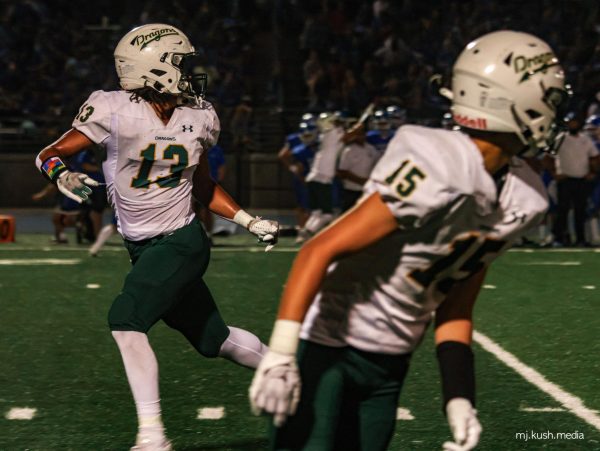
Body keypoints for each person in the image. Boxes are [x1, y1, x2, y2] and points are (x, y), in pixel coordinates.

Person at [249, 30, 568, 451]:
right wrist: (281, 355)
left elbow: (454, 304)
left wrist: (459, 397)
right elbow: (318, 249)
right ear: (507, 99)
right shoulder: (435, 159)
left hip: (391, 364)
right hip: (331, 348)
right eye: (547, 97)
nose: (552, 109)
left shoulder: (526, 197)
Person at [35, 24, 279, 451]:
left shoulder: (200, 116)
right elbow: (48, 153)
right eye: (181, 64)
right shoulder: (113, 110)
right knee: (213, 340)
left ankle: (152, 437)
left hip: (182, 241)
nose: (189, 73)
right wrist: (61, 174)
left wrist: (247, 220)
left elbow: (202, 186)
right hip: (142, 246)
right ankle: (291, 374)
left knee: (126, 318)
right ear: (156, 67)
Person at [547, 113, 599, 247]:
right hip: (565, 179)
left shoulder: (585, 139)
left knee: (580, 210)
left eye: (574, 122)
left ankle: (581, 239)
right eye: (570, 122)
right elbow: (549, 156)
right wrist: (554, 173)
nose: (572, 124)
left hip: (581, 179)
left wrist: (593, 172)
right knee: (562, 210)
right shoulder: (560, 138)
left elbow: (594, 156)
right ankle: (560, 238)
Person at [278, 120, 318, 228]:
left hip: (318, 177)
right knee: (303, 205)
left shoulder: (321, 144)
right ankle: (303, 230)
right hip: (304, 178)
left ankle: (309, 229)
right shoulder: (300, 149)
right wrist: (293, 169)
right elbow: (283, 156)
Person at [337, 123, 380, 211]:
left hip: (367, 189)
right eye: (358, 134)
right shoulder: (348, 150)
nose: (360, 136)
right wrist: (360, 181)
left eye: (362, 134)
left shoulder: (371, 149)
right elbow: (342, 172)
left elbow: (378, 163)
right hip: (351, 190)